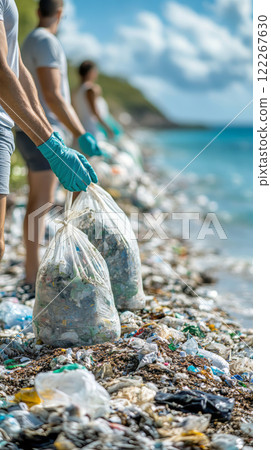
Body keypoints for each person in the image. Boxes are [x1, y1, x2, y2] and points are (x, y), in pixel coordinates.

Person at [0, 0, 98, 270]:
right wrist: (67, 137)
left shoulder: (30, 38)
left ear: (37, 11)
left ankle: (33, 272)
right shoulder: (47, 42)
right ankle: (34, 273)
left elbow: (20, 74)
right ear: (61, 13)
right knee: (41, 204)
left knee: (36, 203)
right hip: (37, 128)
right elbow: (53, 95)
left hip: (23, 126)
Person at [73, 60, 122, 140]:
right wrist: (108, 128)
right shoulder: (92, 89)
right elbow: (95, 112)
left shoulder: (75, 91)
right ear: (91, 72)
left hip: (80, 129)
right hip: (93, 130)